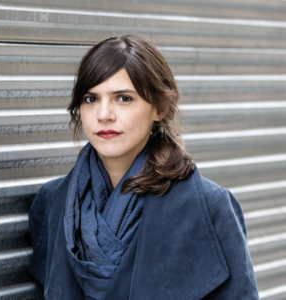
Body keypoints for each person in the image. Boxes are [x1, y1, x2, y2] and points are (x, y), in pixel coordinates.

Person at [28, 34, 259, 300]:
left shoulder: (209, 206)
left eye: (123, 98)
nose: (104, 115)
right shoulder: (54, 202)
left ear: (159, 107)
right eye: (91, 99)